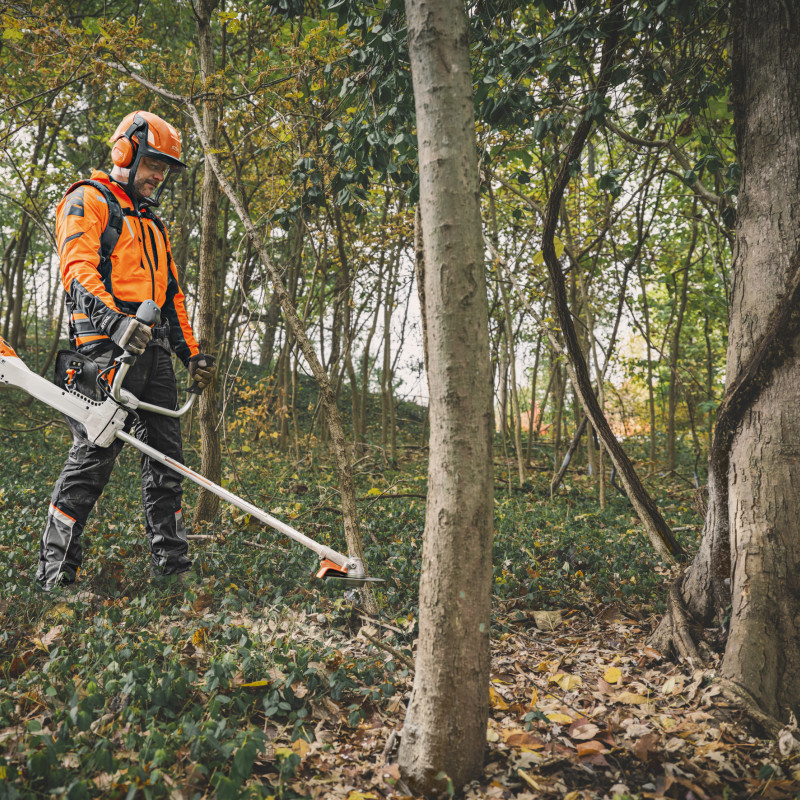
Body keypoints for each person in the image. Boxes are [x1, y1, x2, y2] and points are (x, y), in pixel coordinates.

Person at [36, 110, 216, 591]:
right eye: (154, 163)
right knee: (90, 464)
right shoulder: (87, 201)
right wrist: (115, 324)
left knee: (168, 466)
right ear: (126, 151)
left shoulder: (154, 223)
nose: (160, 175)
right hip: (102, 353)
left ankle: (172, 572)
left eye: (166, 168)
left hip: (153, 356)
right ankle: (56, 576)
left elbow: (171, 296)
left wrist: (191, 354)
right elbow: (77, 273)